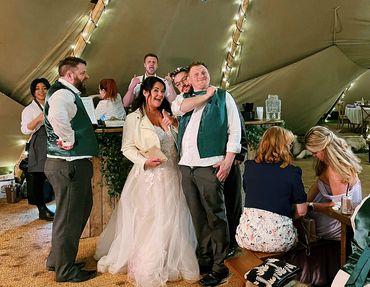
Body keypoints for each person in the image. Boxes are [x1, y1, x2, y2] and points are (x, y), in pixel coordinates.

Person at [95, 77, 199, 287]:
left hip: (172, 173)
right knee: (149, 218)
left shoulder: (167, 114)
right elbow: (127, 148)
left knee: (174, 216)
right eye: (156, 91)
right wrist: (144, 162)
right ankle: (147, 260)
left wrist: (175, 124)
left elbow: (179, 141)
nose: (160, 95)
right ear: (145, 92)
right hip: (148, 176)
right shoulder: (135, 118)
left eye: (162, 91)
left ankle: (172, 256)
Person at [172, 62, 241, 287]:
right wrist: (205, 95)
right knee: (197, 216)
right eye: (195, 74)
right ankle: (205, 259)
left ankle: (220, 266)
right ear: (189, 80)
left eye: (204, 72)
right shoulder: (184, 99)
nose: (201, 76)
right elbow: (178, 110)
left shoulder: (223, 97)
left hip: (209, 166)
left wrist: (229, 160)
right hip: (186, 166)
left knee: (216, 216)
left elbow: (235, 130)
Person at [43, 56, 98, 283]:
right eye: (83, 72)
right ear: (70, 75)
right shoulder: (63, 94)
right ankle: (65, 270)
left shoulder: (65, 92)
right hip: (69, 164)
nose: (86, 76)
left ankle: (57, 260)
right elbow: (56, 116)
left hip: (68, 164)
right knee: (69, 217)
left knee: (75, 212)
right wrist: (68, 138)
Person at [235, 126, 307, 253]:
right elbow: (301, 211)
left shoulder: (249, 167)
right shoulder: (292, 172)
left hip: (246, 237)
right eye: (290, 145)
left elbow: (251, 193)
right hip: (279, 241)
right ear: (285, 147)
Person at [304, 126, 363, 240]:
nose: (313, 155)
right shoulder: (328, 161)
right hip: (328, 216)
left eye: (315, 152)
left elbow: (337, 206)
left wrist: (309, 206)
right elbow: (317, 185)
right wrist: (303, 202)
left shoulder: (336, 169)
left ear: (324, 148)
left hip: (335, 224)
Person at [20, 78, 54, 221]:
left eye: (44, 88)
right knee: (38, 177)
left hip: (54, 141)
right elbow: (24, 130)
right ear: (33, 92)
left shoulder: (53, 104)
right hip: (39, 143)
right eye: (37, 88)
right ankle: (41, 210)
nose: (41, 91)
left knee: (55, 173)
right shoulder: (29, 109)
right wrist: (38, 119)